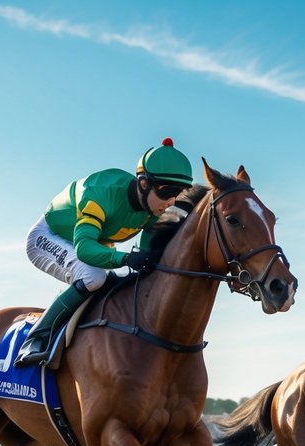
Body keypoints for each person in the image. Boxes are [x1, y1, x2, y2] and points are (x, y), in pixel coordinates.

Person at [16, 138, 194, 366]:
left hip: (92, 244)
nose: (170, 202)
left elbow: (148, 252)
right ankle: (37, 338)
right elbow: (84, 249)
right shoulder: (100, 192)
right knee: (94, 277)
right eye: (167, 191)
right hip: (48, 237)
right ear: (143, 183)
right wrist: (126, 258)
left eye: (177, 194)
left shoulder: (153, 207)